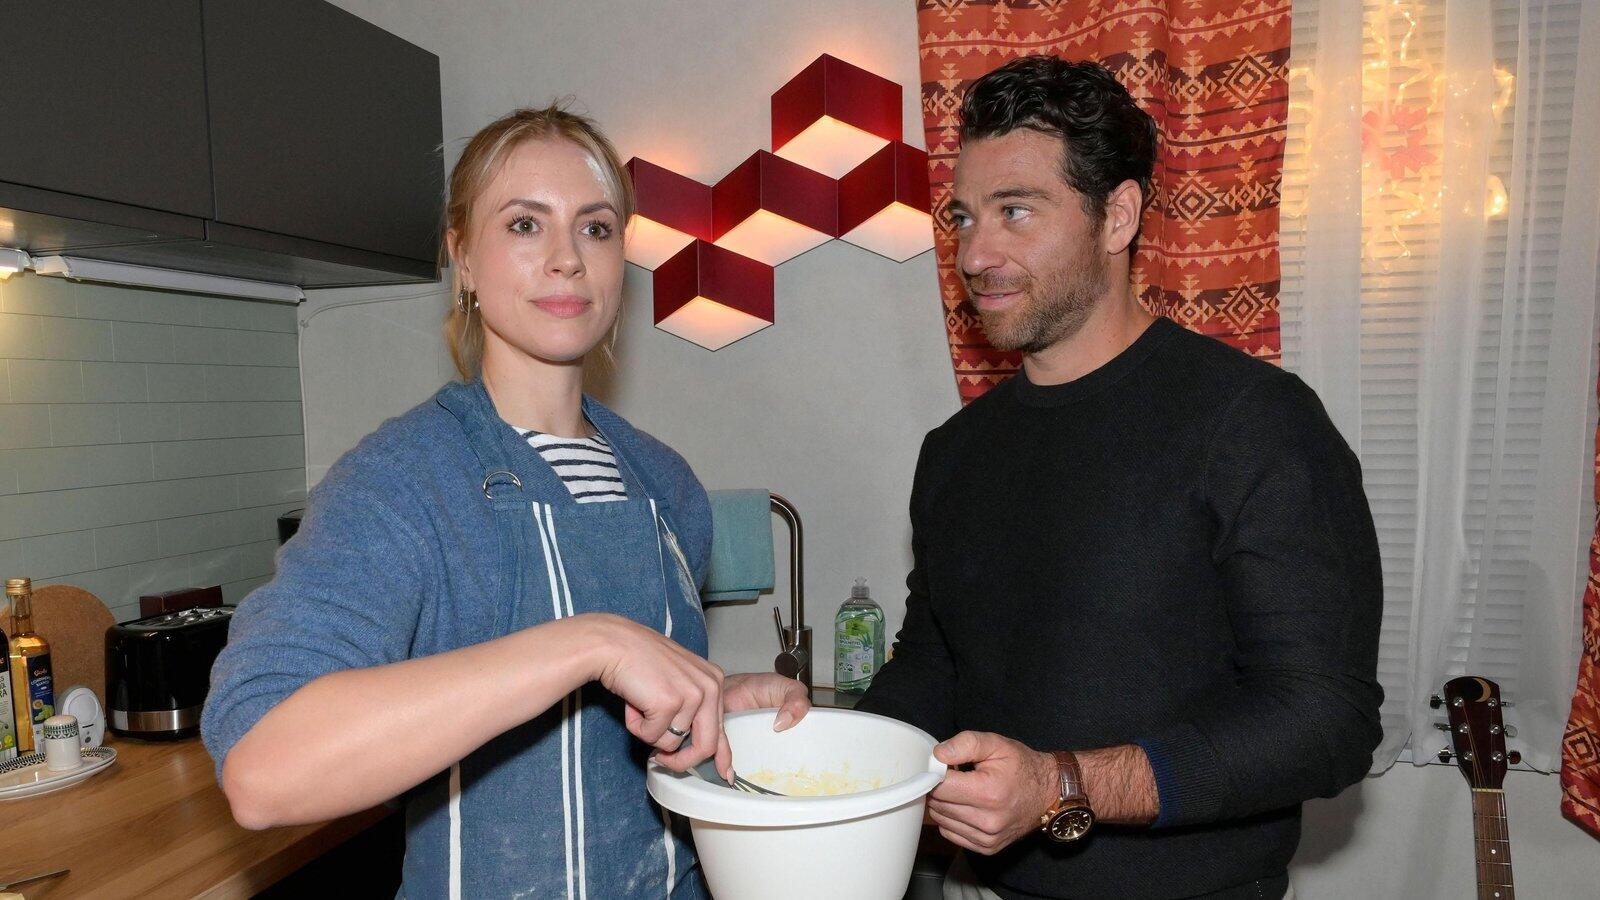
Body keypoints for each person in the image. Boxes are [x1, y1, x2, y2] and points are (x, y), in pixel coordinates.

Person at [202, 104, 810, 898]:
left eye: (595, 228)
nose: (567, 259)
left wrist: (714, 705)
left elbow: (603, 743)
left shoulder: (668, 486)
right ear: (463, 259)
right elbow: (263, 769)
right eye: (525, 225)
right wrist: (591, 642)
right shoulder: (401, 482)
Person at [855, 56, 1383, 900]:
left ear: (1119, 216)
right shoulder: (955, 452)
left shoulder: (1251, 422)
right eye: (963, 216)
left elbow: (1324, 720)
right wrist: (813, 745)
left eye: (1016, 211)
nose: (976, 253)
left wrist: (1063, 785)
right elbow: (933, 668)